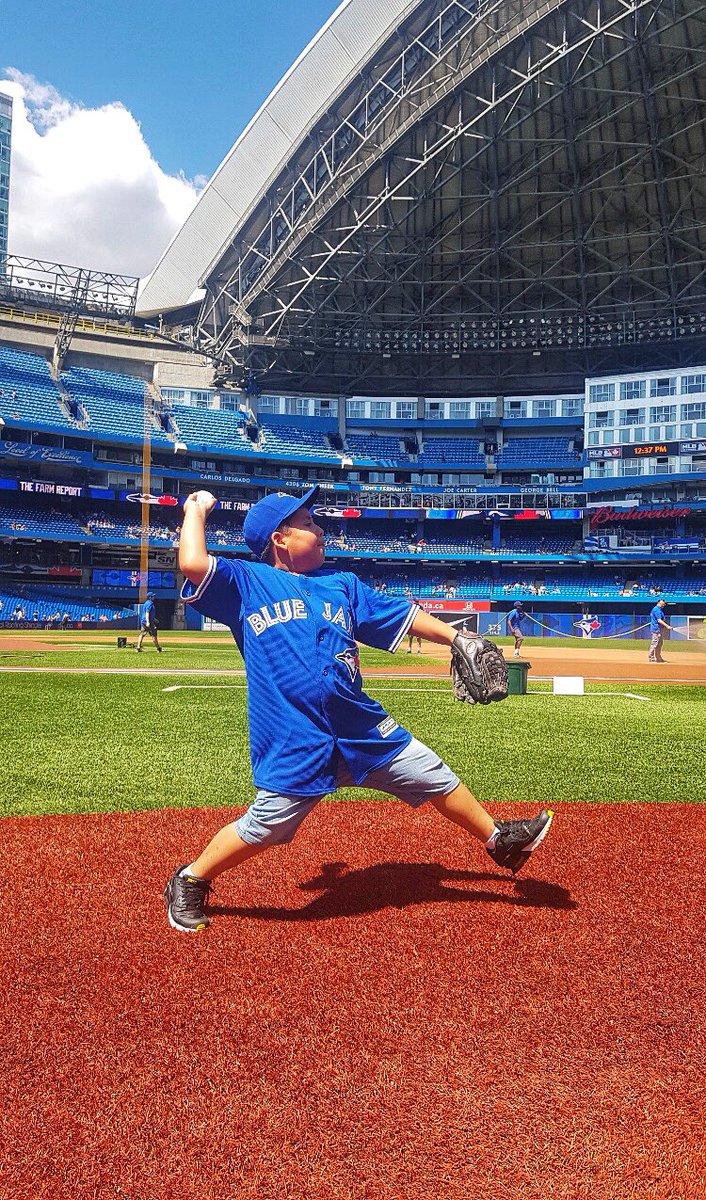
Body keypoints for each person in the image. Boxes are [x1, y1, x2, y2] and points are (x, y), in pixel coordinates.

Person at [163, 487, 554, 932]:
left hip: (359, 724)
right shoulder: (247, 582)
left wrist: (458, 638)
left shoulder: (342, 586)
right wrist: (195, 509)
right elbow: (193, 564)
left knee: (431, 772)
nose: (321, 529)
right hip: (295, 732)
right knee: (268, 826)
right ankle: (191, 878)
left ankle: (498, 839)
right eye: (309, 523)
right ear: (279, 539)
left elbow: (402, 615)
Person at [648, 598, 672, 663]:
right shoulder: (657, 610)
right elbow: (659, 620)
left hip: (659, 629)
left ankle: (658, 658)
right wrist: (667, 626)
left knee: (659, 644)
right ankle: (651, 658)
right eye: (662, 604)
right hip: (656, 629)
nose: (663, 605)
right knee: (654, 644)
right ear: (659, 603)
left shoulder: (659, 610)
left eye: (664, 604)